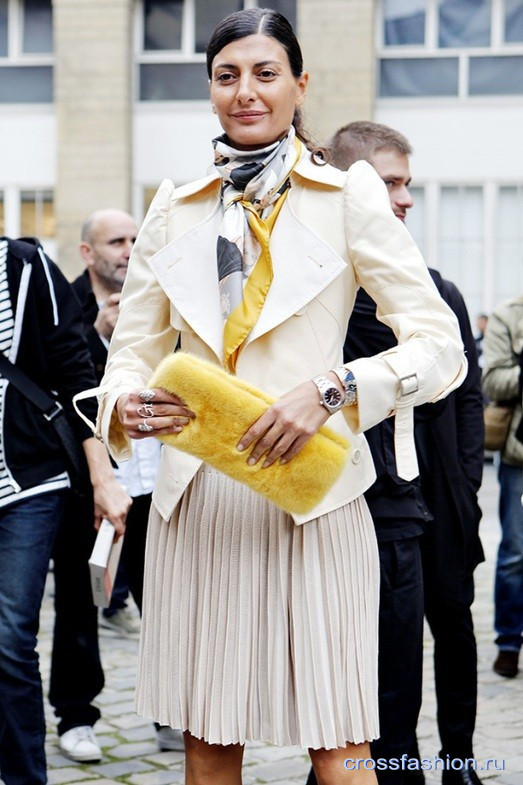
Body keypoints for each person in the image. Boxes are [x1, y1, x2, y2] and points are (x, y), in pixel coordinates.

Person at [93, 10, 465, 785]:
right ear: (210, 89)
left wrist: (337, 388)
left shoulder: (347, 196)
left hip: (315, 499)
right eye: (227, 76)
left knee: (338, 742)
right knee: (207, 739)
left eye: (265, 73)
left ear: (299, 85)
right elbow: (129, 353)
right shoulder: (174, 206)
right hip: (201, 502)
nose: (246, 92)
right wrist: (125, 403)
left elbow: (439, 345)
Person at [307, 121, 484, 785]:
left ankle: (459, 761)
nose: (405, 198)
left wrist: (465, 481)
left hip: (440, 488)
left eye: (407, 183)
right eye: (390, 183)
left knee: (452, 626)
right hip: (369, 495)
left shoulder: (435, 290)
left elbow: (467, 397)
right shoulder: (324, 292)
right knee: (382, 652)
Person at [50, 209, 182, 763]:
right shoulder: (66, 303)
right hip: (90, 485)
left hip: (156, 479)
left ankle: (172, 715)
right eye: (116, 241)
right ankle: (76, 716)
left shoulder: (160, 297)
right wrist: (100, 335)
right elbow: (61, 381)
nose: (128, 249)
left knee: (168, 603)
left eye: (134, 238)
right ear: (87, 252)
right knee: (80, 603)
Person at [0, 236, 130, 784]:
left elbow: (77, 376)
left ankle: (23, 775)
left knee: (9, 637)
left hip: (26, 480)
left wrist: (102, 478)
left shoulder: (23, 266)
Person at [482, 296, 523, 679]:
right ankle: (509, 642)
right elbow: (491, 380)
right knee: (515, 552)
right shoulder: (508, 315)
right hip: (519, 457)